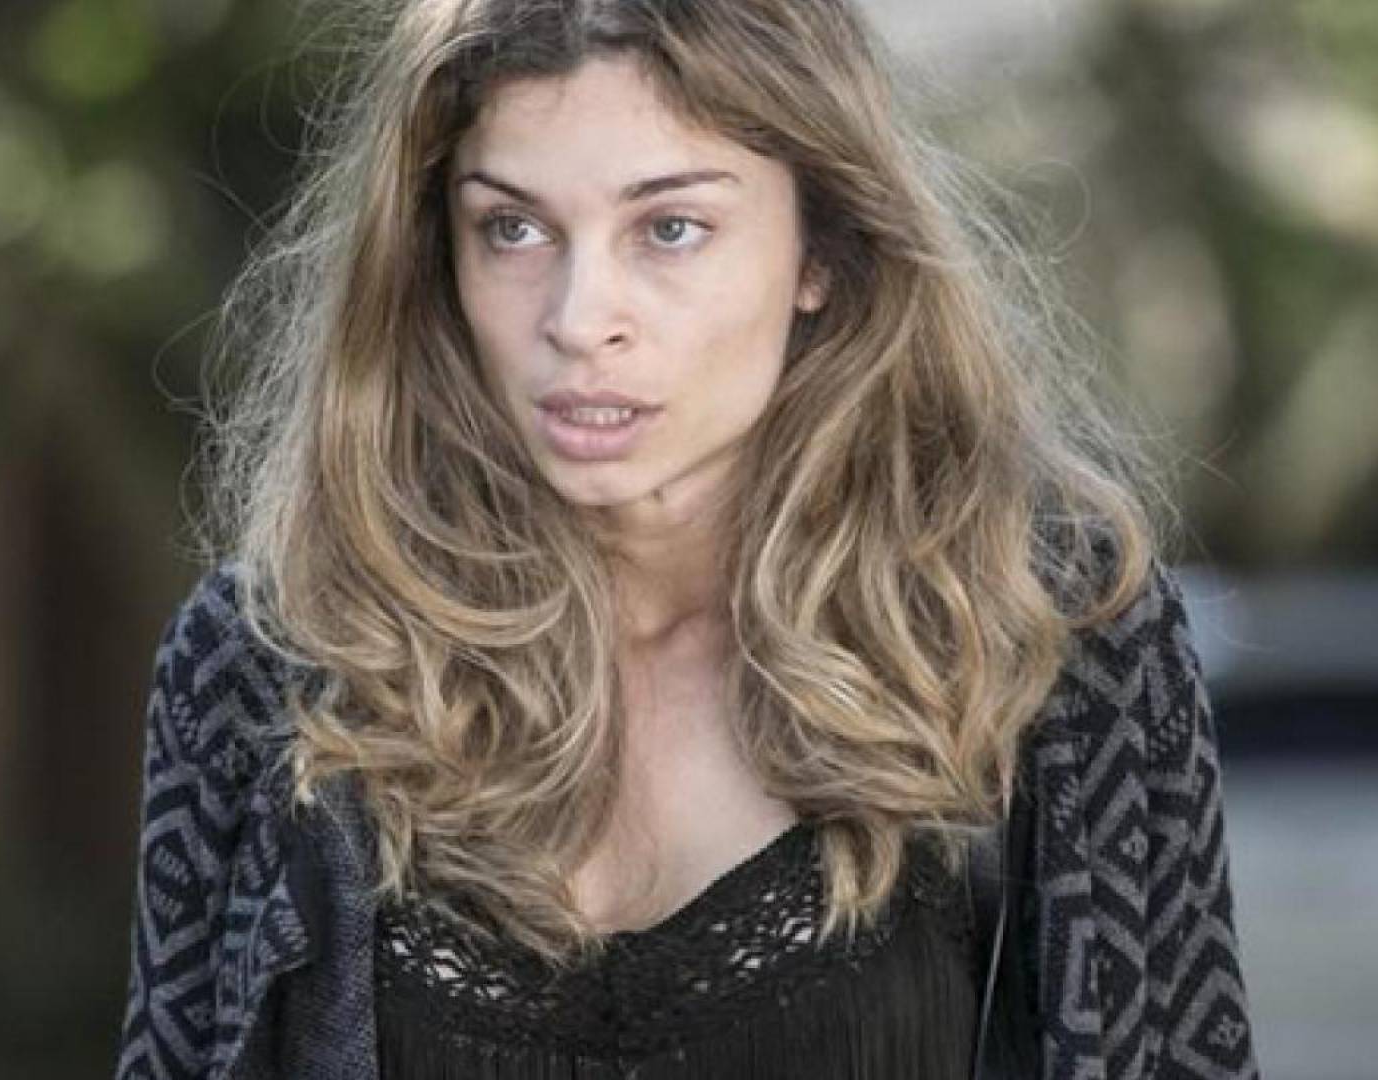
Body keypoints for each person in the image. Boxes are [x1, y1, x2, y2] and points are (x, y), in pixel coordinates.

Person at [114, 1, 1259, 1077]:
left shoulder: (1049, 636)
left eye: (670, 228)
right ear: (435, 260)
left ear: (822, 252)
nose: (579, 319)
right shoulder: (272, 663)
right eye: (512, 228)